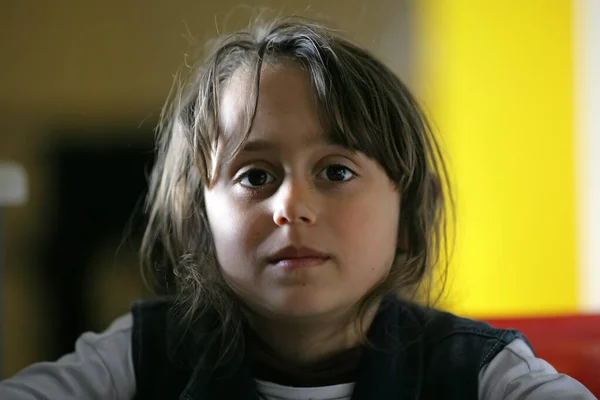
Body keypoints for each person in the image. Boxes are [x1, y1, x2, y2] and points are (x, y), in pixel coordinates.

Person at [0, 16, 595, 400]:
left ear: (411, 216)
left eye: (336, 171)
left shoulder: (475, 371)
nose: (292, 205)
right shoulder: (142, 355)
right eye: (255, 175)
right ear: (199, 221)